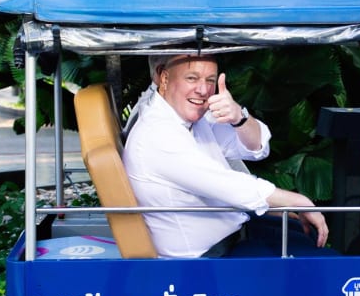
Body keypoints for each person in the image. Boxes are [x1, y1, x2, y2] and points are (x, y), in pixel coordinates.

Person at [123, 54, 329, 257]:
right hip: (210, 259)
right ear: (164, 78)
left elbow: (257, 147)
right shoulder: (157, 133)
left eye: (210, 80)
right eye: (192, 78)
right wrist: (298, 201)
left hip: (236, 232)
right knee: (319, 262)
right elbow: (230, 186)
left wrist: (238, 117)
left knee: (306, 238)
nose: (203, 90)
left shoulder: (189, 114)